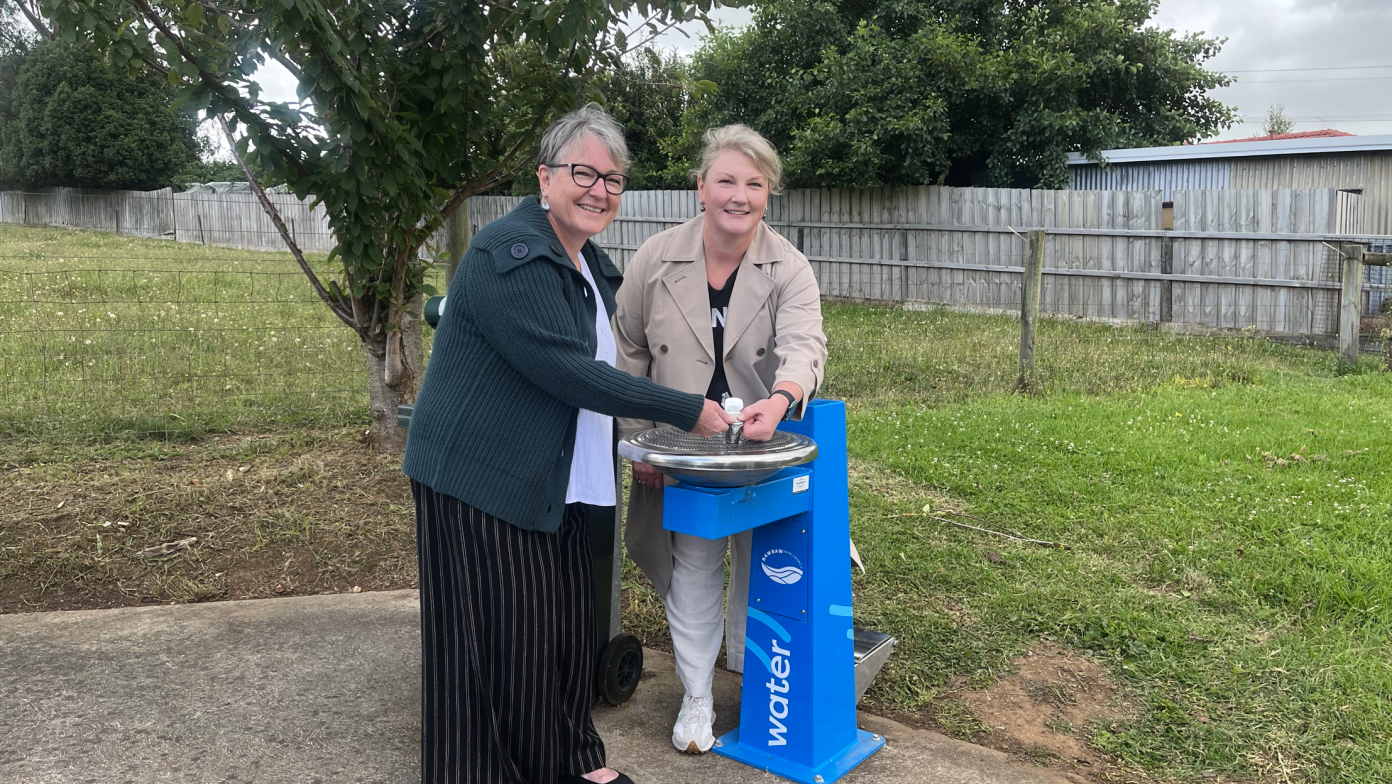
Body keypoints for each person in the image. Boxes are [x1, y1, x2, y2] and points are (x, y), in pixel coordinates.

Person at [401, 104, 736, 784]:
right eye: (584, 173)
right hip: (479, 475)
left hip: (554, 479)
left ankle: (573, 760)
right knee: (498, 642)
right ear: (545, 177)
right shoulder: (510, 255)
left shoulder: (584, 261)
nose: (599, 190)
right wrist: (685, 411)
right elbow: (569, 371)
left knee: (557, 633)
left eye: (613, 180)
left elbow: (617, 356)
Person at [614, 124, 828, 754]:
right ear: (701, 187)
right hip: (677, 445)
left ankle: (755, 680)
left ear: (769, 195)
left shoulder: (789, 266)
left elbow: (804, 345)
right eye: (727, 180)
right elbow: (626, 350)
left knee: (765, 562)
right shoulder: (655, 257)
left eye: (754, 184)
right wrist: (638, 442)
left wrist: (783, 398)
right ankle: (698, 696)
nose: (739, 195)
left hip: (761, 441)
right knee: (694, 563)